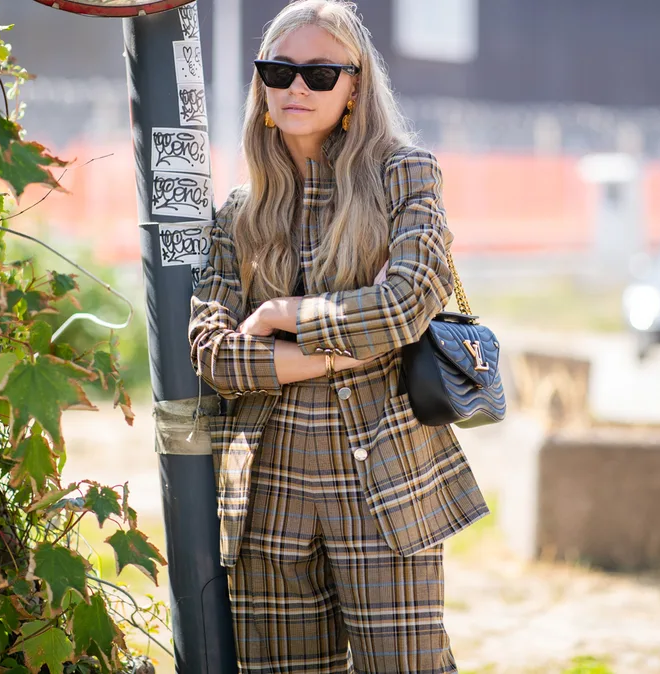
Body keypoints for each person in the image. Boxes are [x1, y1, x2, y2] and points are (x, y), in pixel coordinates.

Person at [188, 1, 488, 670]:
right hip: (268, 498)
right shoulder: (240, 211)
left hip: (385, 488)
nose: (297, 87)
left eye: (321, 73)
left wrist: (282, 317)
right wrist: (342, 351)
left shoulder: (405, 177)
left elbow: (408, 303)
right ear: (261, 86)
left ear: (355, 87)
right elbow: (213, 354)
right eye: (279, 71)